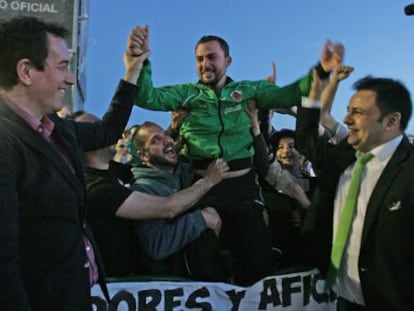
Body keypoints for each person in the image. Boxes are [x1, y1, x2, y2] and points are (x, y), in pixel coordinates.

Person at [127, 26, 344, 285]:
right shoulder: (186, 94)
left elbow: (288, 94)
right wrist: (142, 61)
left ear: (227, 61)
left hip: (243, 190)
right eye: (199, 59)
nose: (204, 64)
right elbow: (145, 96)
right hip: (203, 188)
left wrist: (320, 71)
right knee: (202, 266)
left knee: (258, 264)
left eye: (211, 57)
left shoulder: (248, 90)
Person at [0, 16, 147, 310]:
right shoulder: (5, 143)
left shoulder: (60, 130)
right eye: (63, 67)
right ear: (26, 71)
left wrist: (132, 70)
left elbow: (108, 131)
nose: (70, 79)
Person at [296, 71, 414, 310]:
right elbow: (306, 142)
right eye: (349, 110)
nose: (346, 119)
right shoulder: (342, 156)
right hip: (344, 300)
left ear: (392, 121)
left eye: (357, 112)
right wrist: (315, 92)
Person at [76, 112, 229, 277]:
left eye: (165, 136)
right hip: (161, 286)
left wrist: (172, 131)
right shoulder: (117, 188)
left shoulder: (176, 171)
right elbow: (164, 223)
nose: (106, 130)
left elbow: (157, 158)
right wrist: (204, 202)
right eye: (94, 128)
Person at [130, 121, 228, 281]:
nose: (167, 141)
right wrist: (201, 218)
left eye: (166, 135)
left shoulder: (184, 171)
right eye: (156, 140)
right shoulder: (144, 189)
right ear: (143, 156)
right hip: (176, 284)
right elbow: (157, 246)